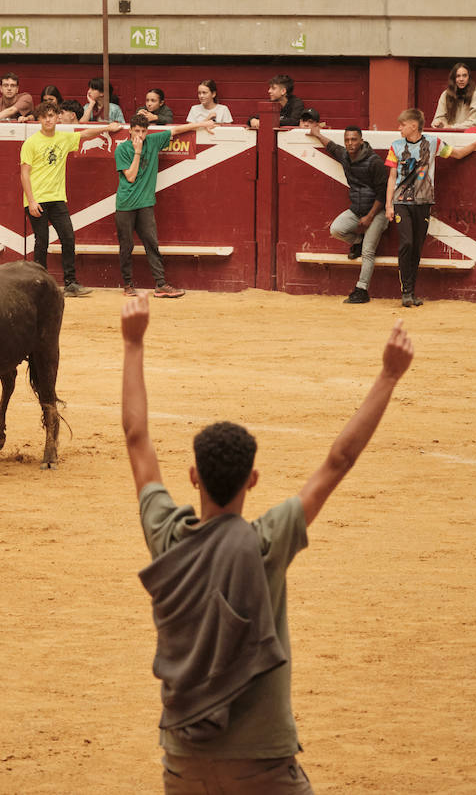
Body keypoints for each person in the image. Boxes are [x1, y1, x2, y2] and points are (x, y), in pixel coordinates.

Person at [121, 291, 414, 795]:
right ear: (252, 480)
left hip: (185, 761)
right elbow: (338, 461)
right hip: (263, 763)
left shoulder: (167, 535)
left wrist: (133, 343)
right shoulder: (267, 542)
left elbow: (136, 437)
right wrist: (388, 376)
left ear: (193, 477)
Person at [385, 108, 476, 307]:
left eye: (402, 124)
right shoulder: (396, 146)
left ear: (414, 126)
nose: (399, 128)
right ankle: (406, 291)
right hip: (401, 201)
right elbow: (392, 177)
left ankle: (410, 292)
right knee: (407, 243)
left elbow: (458, 154)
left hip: (424, 201)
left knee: (416, 247)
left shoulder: (433, 143)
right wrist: (388, 205)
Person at [20, 103, 122, 297]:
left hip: (57, 198)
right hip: (37, 199)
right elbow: (24, 174)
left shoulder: (64, 138)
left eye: (51, 115)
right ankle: (39, 283)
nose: (48, 120)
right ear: (39, 120)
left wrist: (107, 128)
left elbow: (85, 135)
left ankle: (70, 283)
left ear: (57, 117)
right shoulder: (31, 143)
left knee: (68, 237)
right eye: (44, 117)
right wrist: (31, 201)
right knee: (42, 241)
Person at [114, 113, 216, 298]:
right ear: (129, 130)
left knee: (152, 243)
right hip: (125, 204)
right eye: (137, 131)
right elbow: (130, 176)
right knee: (126, 246)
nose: (140, 135)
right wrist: (137, 152)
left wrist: (203, 123)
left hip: (145, 204)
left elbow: (177, 130)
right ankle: (128, 285)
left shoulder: (153, 141)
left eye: (144, 131)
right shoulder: (122, 150)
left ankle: (160, 284)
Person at [306, 120, 389, 304]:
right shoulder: (344, 155)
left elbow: (383, 193)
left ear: (361, 141)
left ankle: (362, 290)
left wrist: (369, 216)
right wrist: (317, 133)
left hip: (378, 212)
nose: (350, 143)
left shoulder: (374, 161)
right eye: (347, 140)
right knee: (336, 229)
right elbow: (331, 147)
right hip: (358, 209)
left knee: (368, 252)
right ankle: (357, 242)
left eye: (354, 139)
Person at [431, 62, 476, 128]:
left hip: (468, 134)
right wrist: (438, 123)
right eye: (458, 76)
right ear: (453, 79)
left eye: (464, 76)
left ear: (469, 78)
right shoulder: (446, 94)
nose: (461, 79)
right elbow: (438, 118)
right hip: (448, 133)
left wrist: (452, 127)